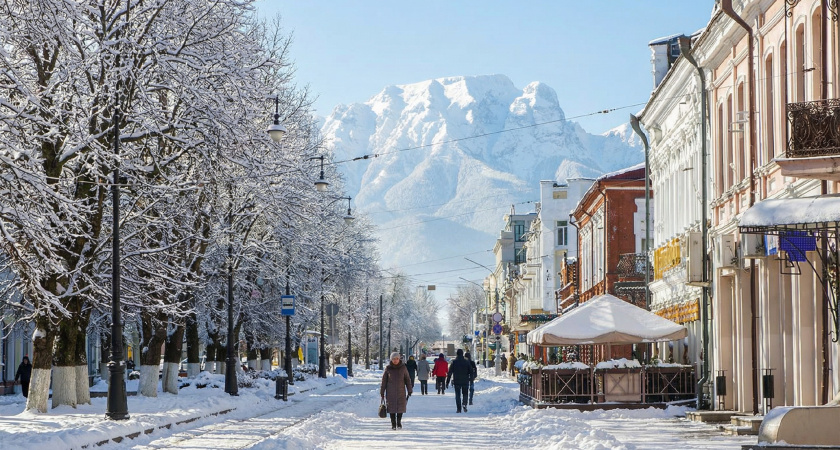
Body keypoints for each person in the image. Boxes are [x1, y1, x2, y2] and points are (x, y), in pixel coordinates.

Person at [380, 352, 412, 430]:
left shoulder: (403, 368)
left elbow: (407, 379)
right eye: (394, 359)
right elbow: (384, 381)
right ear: (391, 359)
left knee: (400, 407)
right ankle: (393, 423)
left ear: (399, 359)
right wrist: (382, 391)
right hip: (390, 392)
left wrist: (409, 389)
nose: (395, 360)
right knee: (391, 408)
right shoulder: (388, 368)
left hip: (401, 391)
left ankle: (399, 422)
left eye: (397, 359)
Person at [445, 349, 472, 413]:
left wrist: (447, 382)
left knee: (457, 395)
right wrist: (470, 379)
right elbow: (471, 371)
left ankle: (459, 409)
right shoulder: (466, 362)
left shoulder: (454, 362)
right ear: (462, 354)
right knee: (465, 393)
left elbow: (450, 373)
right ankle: (464, 403)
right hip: (465, 380)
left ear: (457, 354)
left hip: (457, 381)